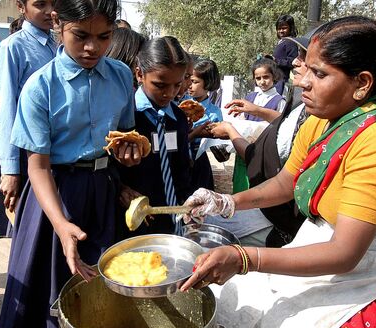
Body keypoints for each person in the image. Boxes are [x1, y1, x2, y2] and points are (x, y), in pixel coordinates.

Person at [180, 16, 376, 328]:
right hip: (324, 246)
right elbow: (287, 183)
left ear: (362, 83)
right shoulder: (321, 119)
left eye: (319, 73)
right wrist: (226, 202)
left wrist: (244, 258)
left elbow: (344, 253)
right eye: (305, 68)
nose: (302, 82)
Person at [0, 0, 140, 328]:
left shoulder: (120, 76)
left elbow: (122, 139)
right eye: (81, 36)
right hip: (55, 197)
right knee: (54, 297)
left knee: (101, 290)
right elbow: (38, 167)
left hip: (103, 192)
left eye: (104, 37)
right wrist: (61, 225)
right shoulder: (40, 86)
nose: (93, 48)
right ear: (58, 23)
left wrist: (127, 154)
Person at [206, 32, 312, 248]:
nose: (294, 61)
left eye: (304, 56)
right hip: (268, 205)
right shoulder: (302, 108)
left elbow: (260, 159)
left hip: (278, 219)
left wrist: (231, 131)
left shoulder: (318, 118)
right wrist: (229, 201)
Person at [0, 0, 57, 238]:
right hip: (26, 154)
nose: (50, 11)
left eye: (54, 3)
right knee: (30, 231)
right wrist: (9, 171)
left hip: (53, 151)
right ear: (21, 7)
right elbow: (6, 109)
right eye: (40, 4)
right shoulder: (13, 47)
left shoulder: (57, 45)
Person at [117, 36, 192, 238]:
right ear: (139, 74)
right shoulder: (125, 116)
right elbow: (108, 168)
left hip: (172, 216)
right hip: (133, 220)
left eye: (177, 85)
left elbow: (182, 168)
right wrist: (120, 189)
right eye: (160, 85)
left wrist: (187, 204)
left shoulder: (179, 119)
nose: (169, 93)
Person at [231, 57, 286, 193]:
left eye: (266, 77)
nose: (262, 82)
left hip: (264, 152)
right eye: (258, 78)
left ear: (274, 76)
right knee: (241, 186)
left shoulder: (279, 101)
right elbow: (241, 121)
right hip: (244, 149)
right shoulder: (250, 98)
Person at [188, 59, 223, 191]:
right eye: (188, 80)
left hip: (199, 162)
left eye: (195, 82)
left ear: (208, 83)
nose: (189, 85)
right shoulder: (177, 104)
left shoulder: (214, 113)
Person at [272, 14, 298, 95]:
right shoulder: (282, 42)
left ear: (290, 28)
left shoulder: (290, 42)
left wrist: (276, 61)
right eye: (279, 29)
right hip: (275, 79)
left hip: (281, 81)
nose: (281, 31)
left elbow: (293, 62)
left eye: (284, 28)